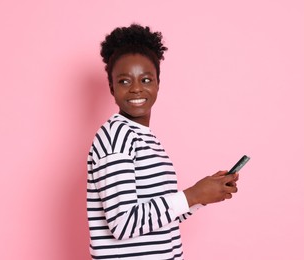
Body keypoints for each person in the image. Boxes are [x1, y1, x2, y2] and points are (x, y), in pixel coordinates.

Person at [86, 24, 239, 260]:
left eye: (146, 79)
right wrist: (193, 195)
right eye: (125, 81)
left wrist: (203, 196)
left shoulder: (146, 138)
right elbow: (123, 224)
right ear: (111, 87)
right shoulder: (115, 138)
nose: (136, 89)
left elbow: (160, 220)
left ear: (158, 83)